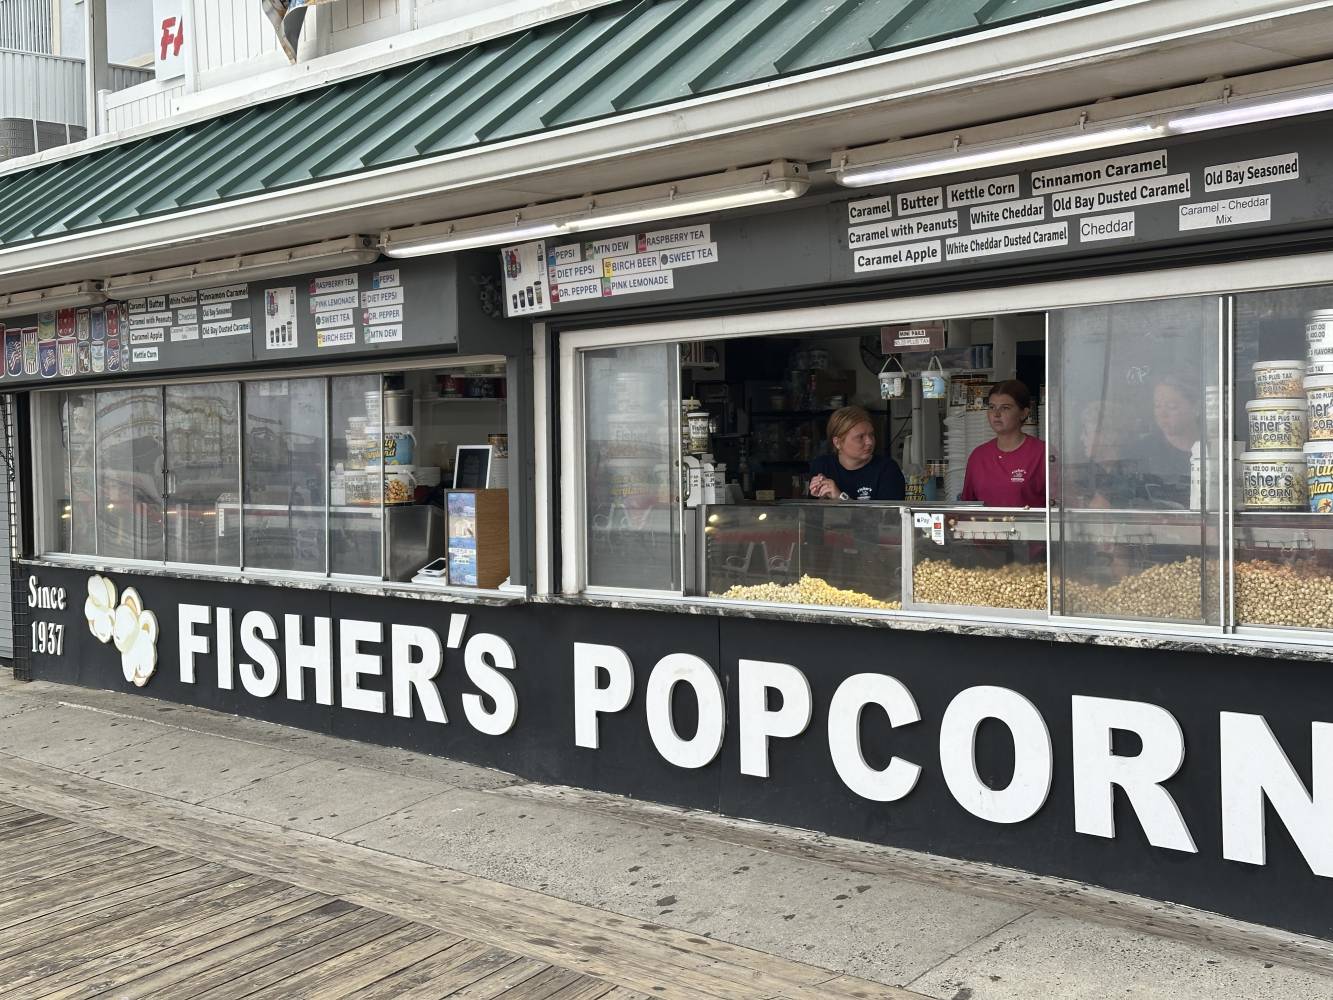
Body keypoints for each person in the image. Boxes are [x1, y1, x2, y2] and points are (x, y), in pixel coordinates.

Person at [961, 380, 1046, 507]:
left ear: (1024, 413)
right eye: (991, 407)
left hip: (1029, 526)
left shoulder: (1042, 453)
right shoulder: (978, 456)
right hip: (985, 526)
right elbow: (967, 507)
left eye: (1005, 408)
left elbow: (1058, 507)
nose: (996, 414)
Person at [807, 405, 905, 501]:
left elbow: (889, 516)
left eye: (871, 434)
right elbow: (811, 514)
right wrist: (821, 496)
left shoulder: (887, 469)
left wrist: (840, 497)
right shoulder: (822, 466)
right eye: (860, 437)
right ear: (837, 442)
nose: (869, 442)